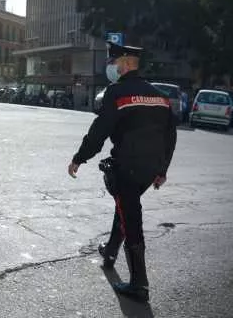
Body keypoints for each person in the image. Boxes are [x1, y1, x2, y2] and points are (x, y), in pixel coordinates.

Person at [68, 41, 177, 302]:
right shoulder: (160, 96)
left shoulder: (117, 92)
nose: (111, 66)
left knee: (131, 216)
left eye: (114, 62)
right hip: (150, 169)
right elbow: (170, 136)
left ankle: (140, 283)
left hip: (128, 167)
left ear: (127, 63)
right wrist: (162, 169)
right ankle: (110, 252)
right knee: (126, 207)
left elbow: (100, 130)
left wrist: (79, 158)